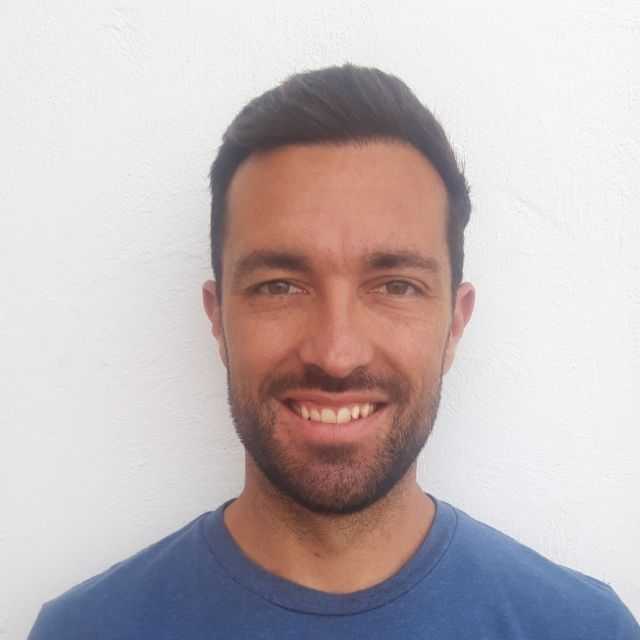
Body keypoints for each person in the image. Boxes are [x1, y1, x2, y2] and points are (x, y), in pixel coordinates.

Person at [28, 64, 639, 639]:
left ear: (455, 324)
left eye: (395, 286)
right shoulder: (85, 631)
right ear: (218, 319)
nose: (337, 354)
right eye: (279, 286)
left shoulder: (584, 629)